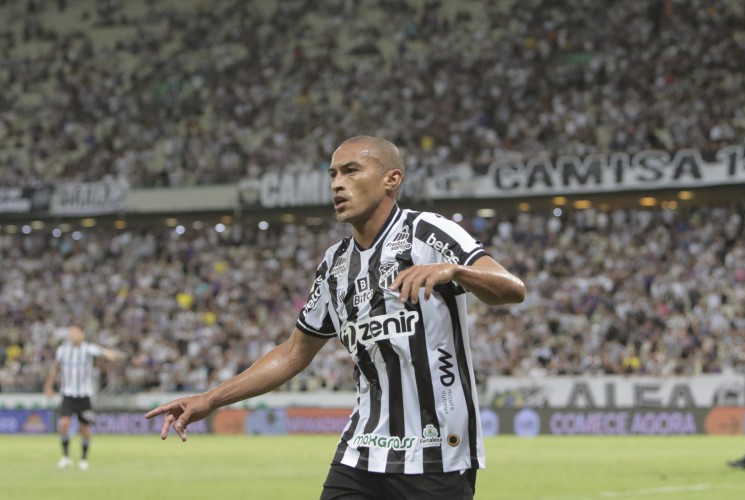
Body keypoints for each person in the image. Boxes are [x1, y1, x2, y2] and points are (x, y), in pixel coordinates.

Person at [145, 136, 526, 499]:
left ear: (391, 179)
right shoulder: (335, 264)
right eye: (333, 175)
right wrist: (211, 399)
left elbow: (511, 288)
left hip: (436, 450)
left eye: (351, 171)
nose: (337, 184)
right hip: (363, 447)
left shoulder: (427, 232)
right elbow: (294, 353)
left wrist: (456, 272)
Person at [44, 325, 124, 471]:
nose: (71, 335)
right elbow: (55, 368)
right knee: (63, 424)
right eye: (70, 333)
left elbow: (105, 353)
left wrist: (116, 355)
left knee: (85, 429)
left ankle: (83, 459)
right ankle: (65, 457)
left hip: (84, 395)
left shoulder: (88, 349)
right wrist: (48, 386)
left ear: (82, 334)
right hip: (68, 394)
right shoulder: (62, 350)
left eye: (74, 333)